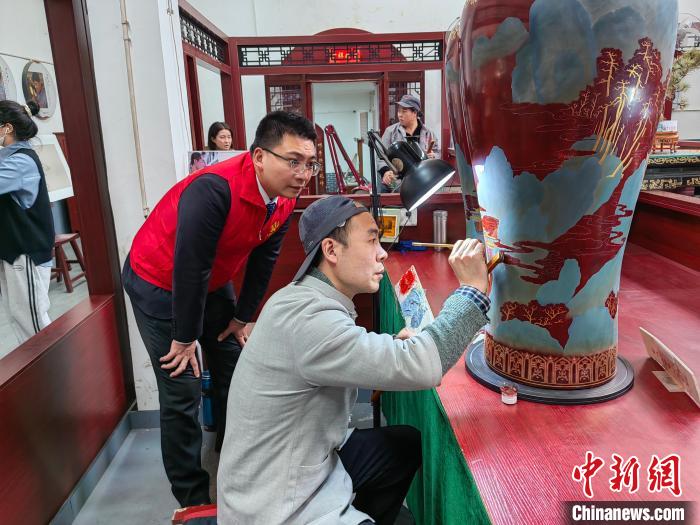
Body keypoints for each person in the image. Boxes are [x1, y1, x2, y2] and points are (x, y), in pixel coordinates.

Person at [217, 195, 490, 524]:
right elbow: (421, 364)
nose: (382, 253)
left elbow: (337, 350)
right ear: (331, 250)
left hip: (305, 458)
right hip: (277, 504)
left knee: (403, 445)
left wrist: (391, 345)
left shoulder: (300, 298)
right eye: (372, 240)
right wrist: (473, 291)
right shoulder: (309, 319)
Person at [122, 110, 320, 507]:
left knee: (238, 368)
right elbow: (189, 267)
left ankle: (235, 468)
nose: (303, 174)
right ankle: (193, 500)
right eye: (293, 161)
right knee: (182, 390)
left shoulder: (284, 196)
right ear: (260, 157)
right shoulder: (214, 190)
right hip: (159, 283)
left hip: (211, 281)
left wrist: (242, 317)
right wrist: (184, 338)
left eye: (310, 163)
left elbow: (264, 257)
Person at [0, 100, 54, 348]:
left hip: (26, 253)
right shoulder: (9, 157)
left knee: (34, 324)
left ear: (7, 128)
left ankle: (52, 370)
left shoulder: (21, 161)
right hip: (12, 252)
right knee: (19, 318)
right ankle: (40, 370)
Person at [377, 94, 440, 192]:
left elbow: (437, 153)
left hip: (422, 180)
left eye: (404, 111)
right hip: (397, 182)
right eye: (399, 111)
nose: (400, 115)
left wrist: (433, 156)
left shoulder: (428, 133)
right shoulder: (390, 132)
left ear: (415, 112)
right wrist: (385, 171)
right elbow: (381, 156)